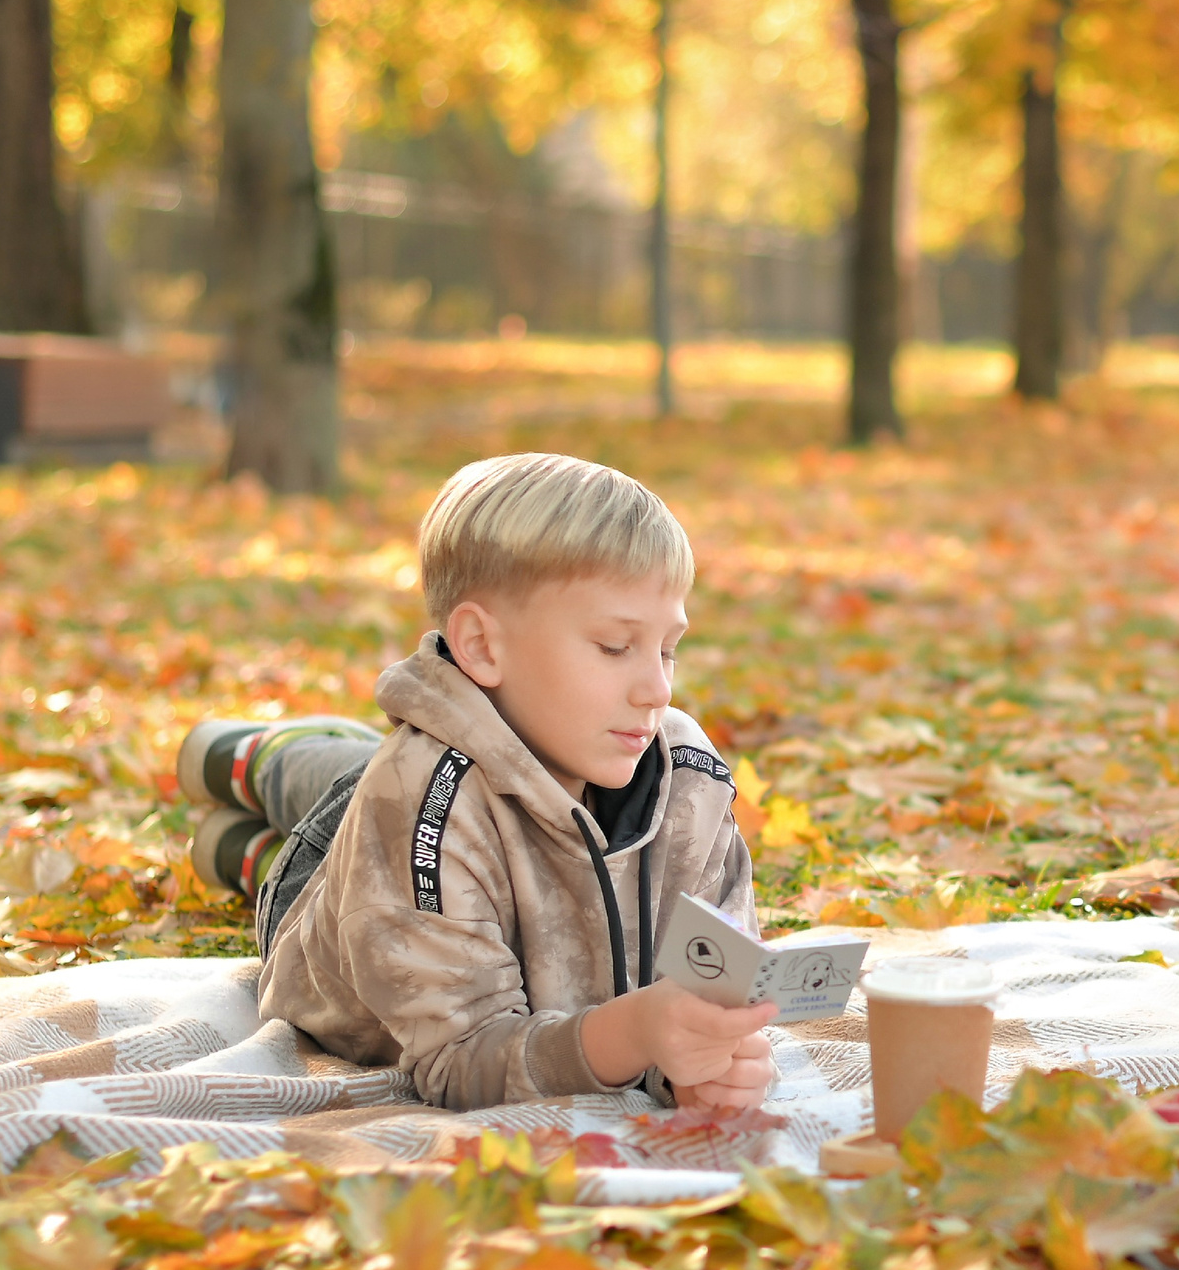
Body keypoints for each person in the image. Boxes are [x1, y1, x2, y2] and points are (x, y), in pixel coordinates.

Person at [175, 453, 775, 1113]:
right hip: (342, 889)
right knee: (335, 796)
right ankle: (259, 757)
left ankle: (238, 839)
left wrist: (697, 1065)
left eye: (668, 649)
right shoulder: (414, 799)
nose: (658, 689)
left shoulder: (686, 776)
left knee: (366, 773)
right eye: (613, 646)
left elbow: (715, 988)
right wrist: (634, 1034)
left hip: (448, 814)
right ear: (483, 647)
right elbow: (461, 1061)